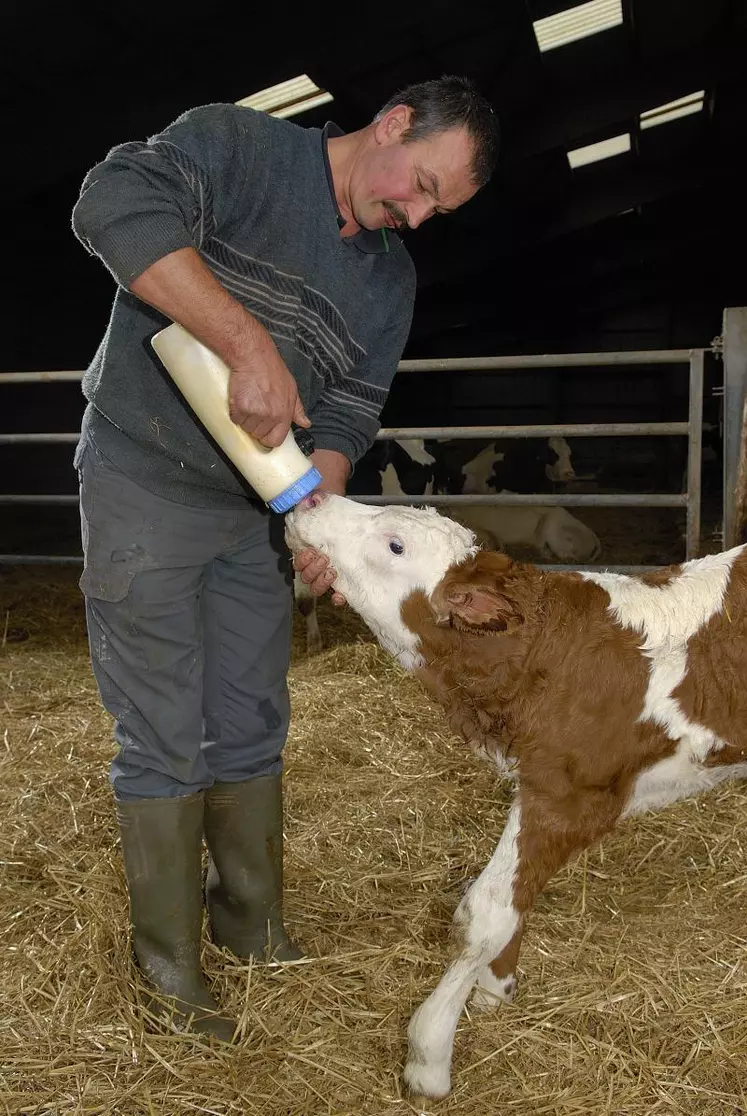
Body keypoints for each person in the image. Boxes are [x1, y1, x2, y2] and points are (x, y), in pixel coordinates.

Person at [71, 74, 499, 1040]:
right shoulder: (239, 148)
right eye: (423, 185)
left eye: (440, 207)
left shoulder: (389, 277)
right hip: (145, 477)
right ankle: (170, 966)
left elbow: (347, 408)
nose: (419, 216)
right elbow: (111, 200)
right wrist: (244, 340)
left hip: (258, 511)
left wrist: (324, 518)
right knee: (165, 727)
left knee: (254, 717)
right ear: (391, 124)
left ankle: (249, 924)